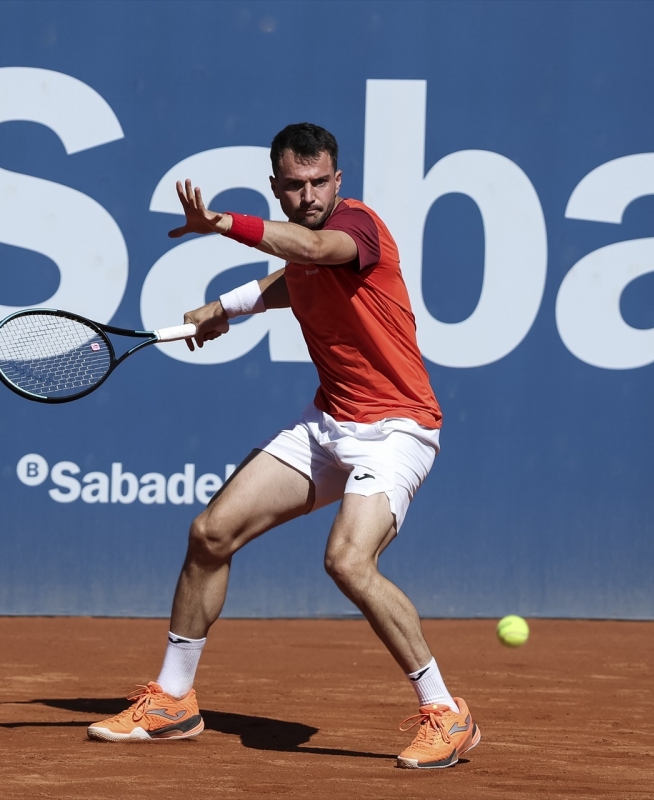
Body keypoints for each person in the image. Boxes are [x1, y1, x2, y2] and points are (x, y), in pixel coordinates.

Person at [87, 123, 480, 770]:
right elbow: (292, 275)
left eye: (320, 182)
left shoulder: (358, 229)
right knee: (211, 533)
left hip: (397, 431)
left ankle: (447, 712)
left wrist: (222, 223)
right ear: (278, 186)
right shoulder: (305, 246)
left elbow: (314, 249)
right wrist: (225, 307)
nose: (309, 196)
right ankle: (174, 700)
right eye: (294, 187)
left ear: (338, 180)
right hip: (328, 424)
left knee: (348, 562)